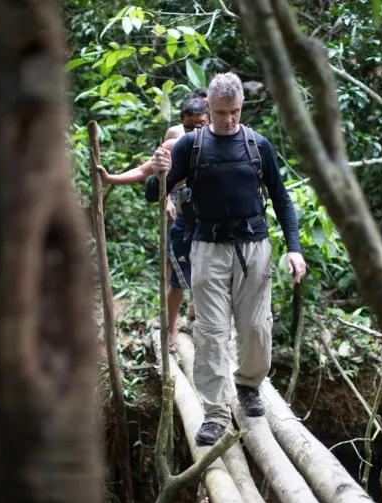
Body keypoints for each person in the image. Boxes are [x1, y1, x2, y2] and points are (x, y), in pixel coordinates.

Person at [145, 72, 306, 446]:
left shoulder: (257, 145)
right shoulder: (191, 146)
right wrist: (159, 172)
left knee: (254, 327)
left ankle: (248, 385)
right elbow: (156, 193)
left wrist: (294, 248)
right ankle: (216, 412)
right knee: (212, 331)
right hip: (207, 246)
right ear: (209, 108)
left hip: (254, 246)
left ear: (241, 108)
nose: (228, 120)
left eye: (234, 112)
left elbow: (281, 199)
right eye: (220, 113)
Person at [96, 95, 210, 351]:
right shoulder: (173, 144)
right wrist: (110, 178)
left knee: (210, 280)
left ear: (210, 119)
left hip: (213, 227)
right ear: (182, 124)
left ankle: (203, 329)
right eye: (190, 125)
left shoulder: (222, 142)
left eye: (200, 124)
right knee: (178, 281)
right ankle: (169, 332)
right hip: (185, 223)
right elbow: (143, 172)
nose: (195, 130)